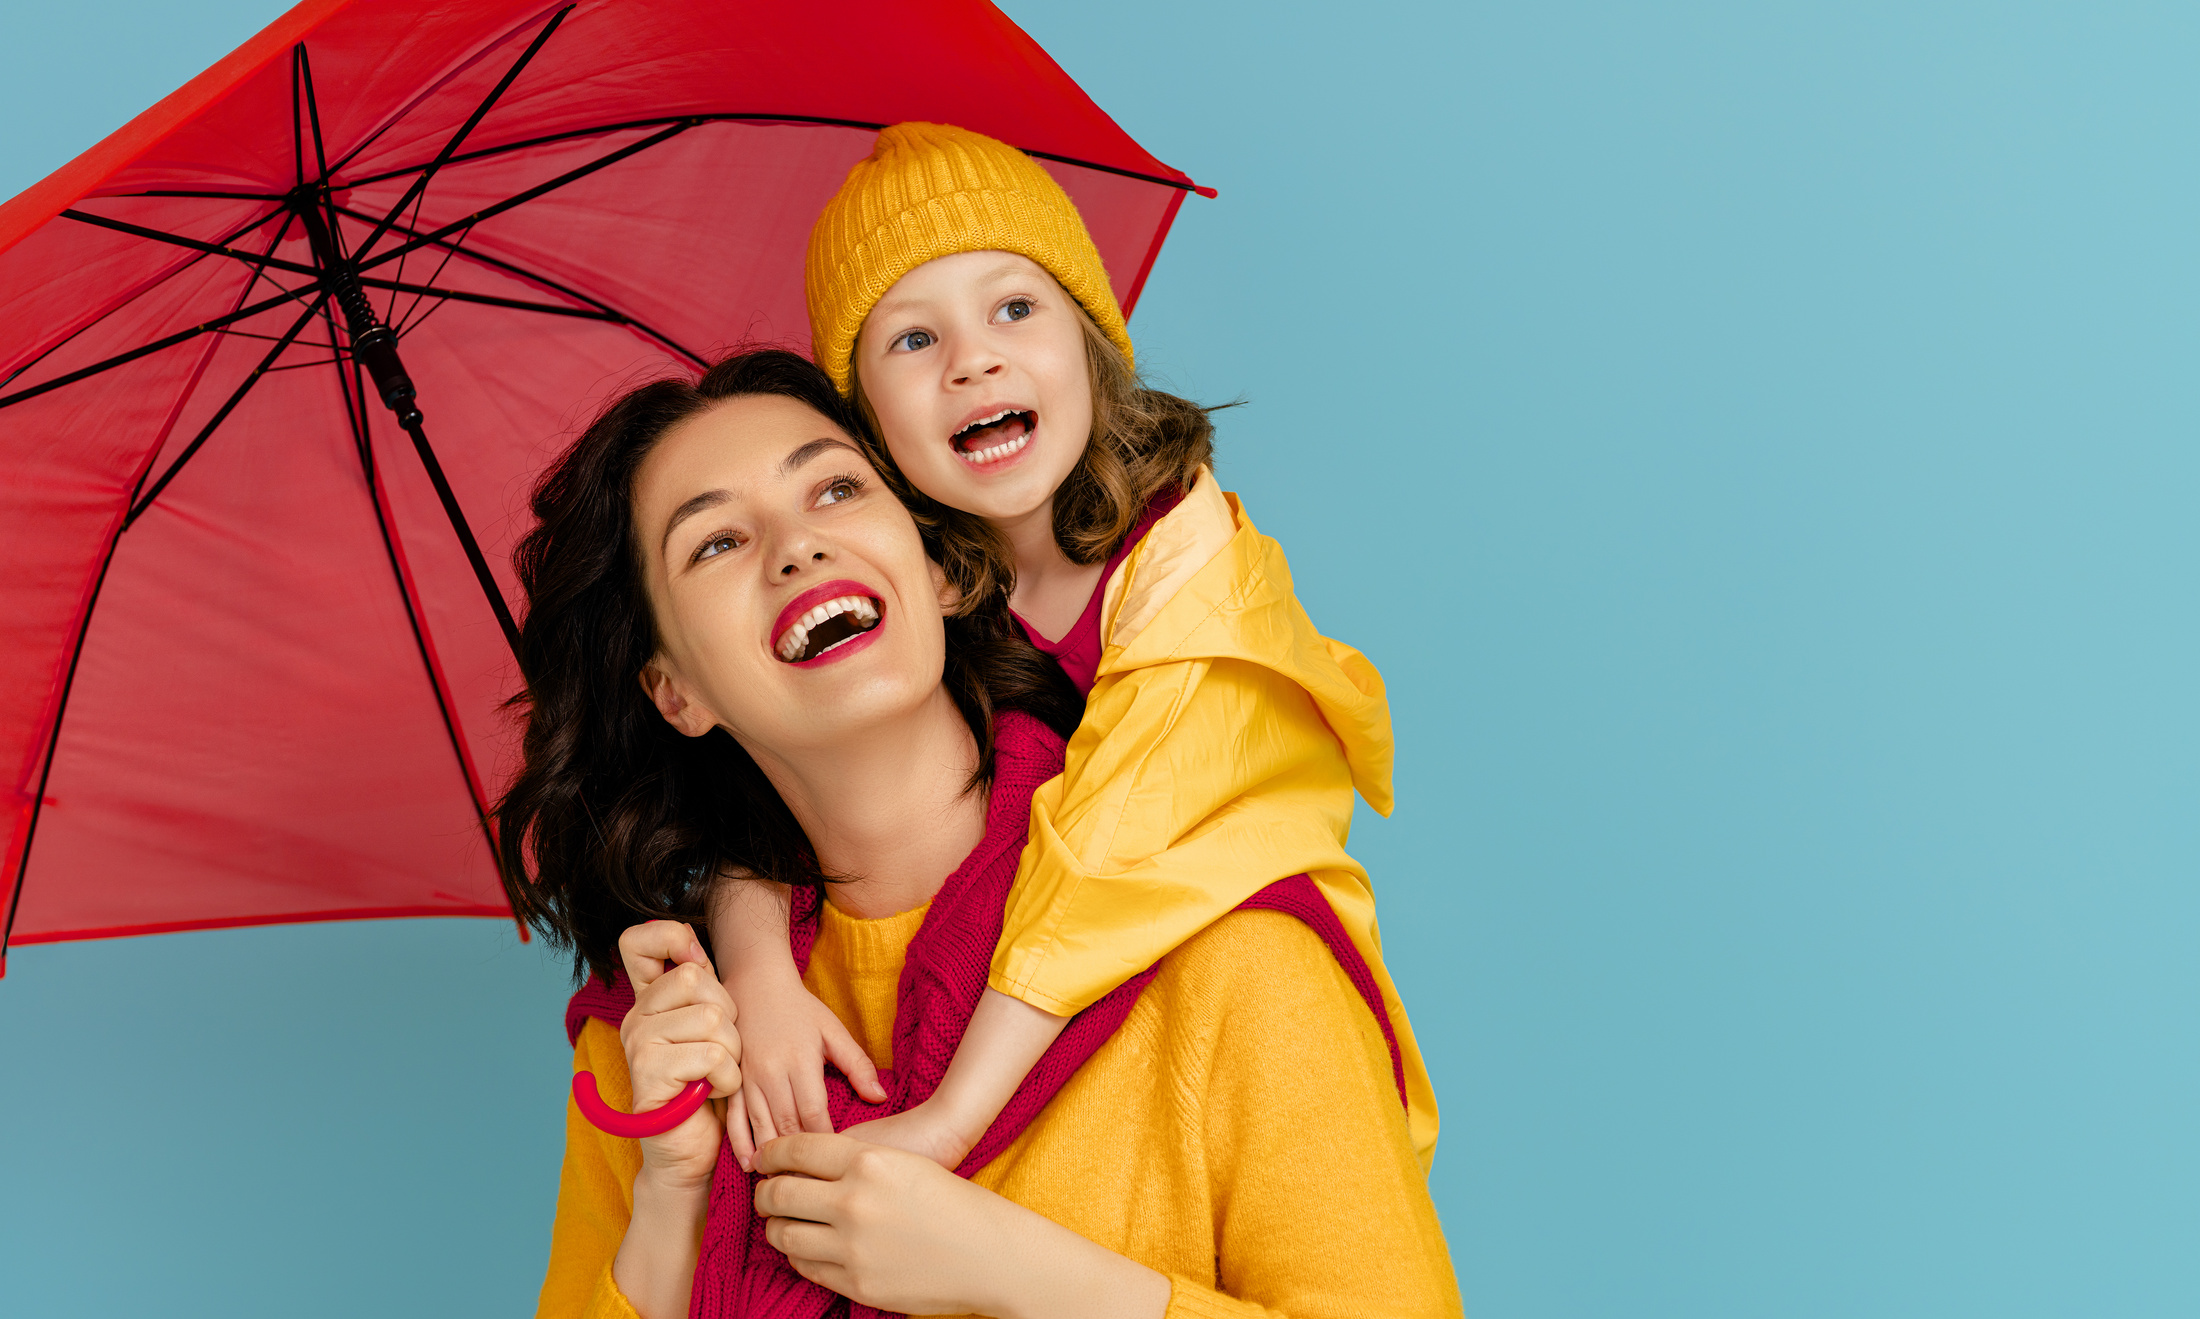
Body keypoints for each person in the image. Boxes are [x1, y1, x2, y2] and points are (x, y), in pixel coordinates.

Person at [499, 349, 1459, 1317]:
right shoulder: (662, 1043)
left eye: (834, 487)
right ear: (676, 690)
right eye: (714, 542)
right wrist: (673, 1188)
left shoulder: (1220, 940)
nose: (795, 547)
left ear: (946, 568)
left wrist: (1021, 1276)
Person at [715, 122, 1438, 1174]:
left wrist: (947, 1120)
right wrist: (758, 969)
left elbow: (1112, 845)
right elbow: (787, 788)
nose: (974, 360)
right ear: (866, 428)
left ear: (1091, 344)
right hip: (1050, 1063)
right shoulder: (917, 600)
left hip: (1238, 1029)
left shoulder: (1197, 568)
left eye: (1015, 306)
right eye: (911, 341)